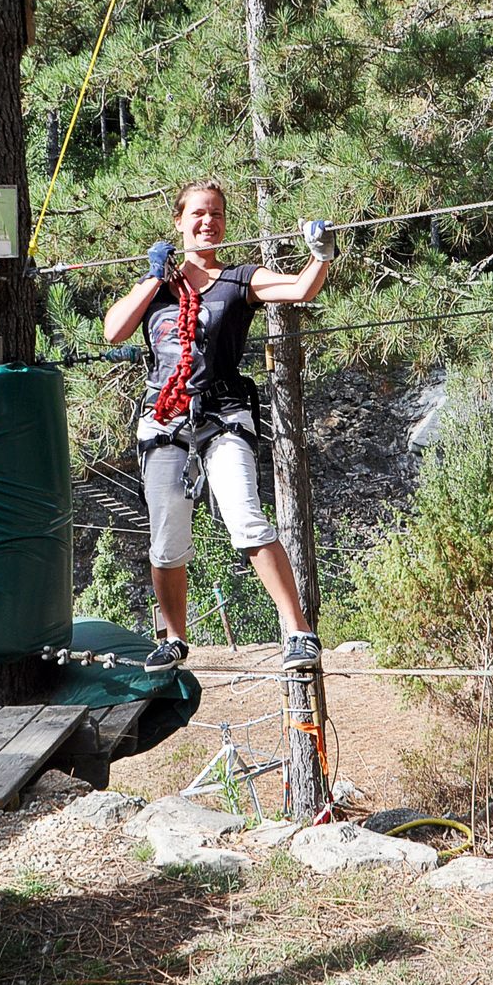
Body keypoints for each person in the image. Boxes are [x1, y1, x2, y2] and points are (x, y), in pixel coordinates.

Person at [102, 180, 336, 673]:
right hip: (164, 418)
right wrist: (152, 278)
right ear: (179, 221)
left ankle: (298, 631)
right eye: (198, 214)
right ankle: (173, 638)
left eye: (217, 214)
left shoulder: (238, 279)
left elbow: (299, 288)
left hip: (223, 415)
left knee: (246, 519)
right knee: (166, 538)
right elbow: (114, 330)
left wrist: (321, 254)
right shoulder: (156, 287)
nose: (208, 222)